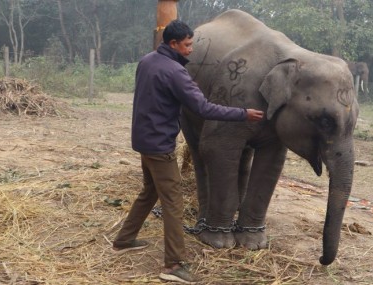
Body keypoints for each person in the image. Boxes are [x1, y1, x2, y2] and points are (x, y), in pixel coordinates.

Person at [112, 19, 264, 284]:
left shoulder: (147, 61)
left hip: (143, 141)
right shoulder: (175, 72)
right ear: (173, 43)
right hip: (160, 146)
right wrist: (243, 114)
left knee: (149, 192)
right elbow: (203, 108)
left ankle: (124, 239)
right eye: (187, 44)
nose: (191, 49)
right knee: (173, 204)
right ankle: (173, 264)